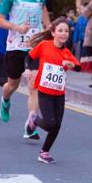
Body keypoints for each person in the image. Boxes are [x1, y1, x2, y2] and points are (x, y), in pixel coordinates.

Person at [0, 0, 51, 138]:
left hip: (35, 46)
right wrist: (17, 27)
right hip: (15, 47)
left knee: (34, 86)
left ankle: (31, 125)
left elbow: (43, 9)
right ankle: (5, 100)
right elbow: (0, 21)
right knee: (12, 84)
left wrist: (48, 28)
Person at [24, 17, 80, 163]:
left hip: (59, 94)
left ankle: (44, 153)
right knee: (50, 124)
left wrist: (72, 65)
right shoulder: (44, 45)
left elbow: (78, 66)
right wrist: (28, 69)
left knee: (57, 126)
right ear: (53, 32)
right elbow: (29, 57)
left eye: (66, 31)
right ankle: (34, 119)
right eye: (60, 30)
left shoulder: (67, 52)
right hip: (44, 92)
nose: (64, 33)